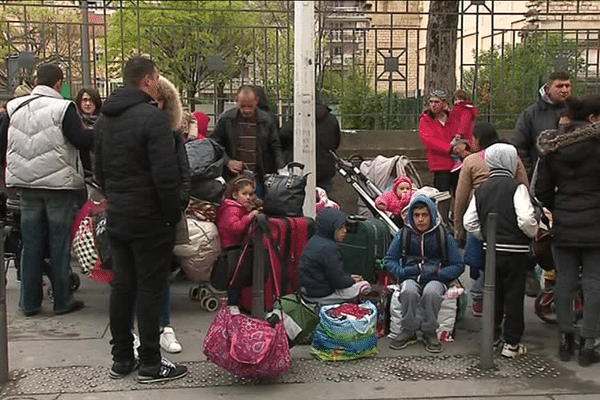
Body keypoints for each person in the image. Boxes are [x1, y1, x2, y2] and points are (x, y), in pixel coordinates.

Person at [94, 56, 187, 383]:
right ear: (148, 79)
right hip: (150, 217)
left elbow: (99, 171)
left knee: (122, 287)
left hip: (118, 213)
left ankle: (122, 357)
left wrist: (116, 198)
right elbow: (166, 177)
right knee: (150, 287)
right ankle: (150, 361)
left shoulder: (105, 119)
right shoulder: (153, 119)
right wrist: (171, 215)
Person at [4, 64, 92, 317]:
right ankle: (62, 300)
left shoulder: (15, 107)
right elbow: (80, 140)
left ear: (35, 81)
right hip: (58, 186)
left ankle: (29, 303)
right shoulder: (63, 108)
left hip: (26, 187)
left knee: (30, 244)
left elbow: (3, 141)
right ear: (58, 83)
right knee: (59, 244)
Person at [535, 94, 600, 367]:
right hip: (596, 223)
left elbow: (542, 190)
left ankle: (565, 340)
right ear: (594, 118)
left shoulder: (553, 146)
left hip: (564, 221)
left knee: (564, 281)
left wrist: (557, 208)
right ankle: (588, 343)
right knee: (594, 282)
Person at [463, 143, 538, 358]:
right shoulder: (517, 188)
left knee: (493, 293)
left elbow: (470, 221)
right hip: (515, 251)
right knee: (514, 296)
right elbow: (525, 219)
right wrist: (531, 232)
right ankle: (511, 344)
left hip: (491, 250)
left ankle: (492, 335)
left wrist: (485, 234)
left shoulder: (481, 190)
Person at [453, 122, 529, 316]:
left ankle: (478, 298)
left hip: (478, 214)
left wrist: (459, 226)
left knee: (480, 258)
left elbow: (461, 197)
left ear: (479, 139)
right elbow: (525, 186)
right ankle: (501, 303)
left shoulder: (471, 161)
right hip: (508, 217)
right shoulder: (514, 159)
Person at [384, 194, 464, 353]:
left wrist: (440, 272)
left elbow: (458, 265)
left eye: (424, 215)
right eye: (416, 215)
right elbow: (389, 260)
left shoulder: (443, 235)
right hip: (410, 276)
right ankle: (408, 330)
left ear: (432, 215)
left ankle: (429, 331)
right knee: (408, 292)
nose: (420, 219)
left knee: (431, 294)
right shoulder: (404, 234)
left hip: (435, 277)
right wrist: (403, 272)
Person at [154, 75, 191, 354]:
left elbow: (183, 170)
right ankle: (139, 330)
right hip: (138, 210)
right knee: (133, 274)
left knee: (163, 270)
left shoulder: (173, 134)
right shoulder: (130, 130)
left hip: (165, 212)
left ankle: (165, 325)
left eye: (159, 101)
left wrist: (180, 201)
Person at [209, 85, 284, 197]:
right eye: (242, 106)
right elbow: (214, 144)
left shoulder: (267, 120)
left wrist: (281, 168)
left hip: (259, 177)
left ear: (257, 101)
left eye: (250, 106)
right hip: (234, 179)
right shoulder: (227, 119)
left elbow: (275, 145)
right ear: (236, 100)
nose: (246, 110)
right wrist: (227, 161)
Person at [298, 207, 371, 305]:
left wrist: (348, 278)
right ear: (331, 228)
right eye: (340, 228)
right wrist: (352, 280)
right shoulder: (329, 248)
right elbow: (338, 281)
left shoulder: (314, 240)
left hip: (308, 292)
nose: (345, 231)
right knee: (365, 286)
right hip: (322, 295)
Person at [419, 90, 469, 222]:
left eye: (437, 102)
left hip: (458, 164)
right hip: (440, 165)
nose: (433, 105)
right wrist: (450, 149)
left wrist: (464, 147)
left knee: (461, 197)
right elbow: (429, 140)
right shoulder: (426, 120)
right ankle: (443, 224)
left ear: (444, 103)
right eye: (431, 102)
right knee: (442, 199)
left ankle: (460, 223)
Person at [511, 71, 572, 179]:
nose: (564, 90)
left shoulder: (576, 112)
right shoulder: (531, 114)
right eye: (559, 86)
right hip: (541, 178)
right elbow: (519, 146)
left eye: (567, 86)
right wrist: (531, 173)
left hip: (570, 177)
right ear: (548, 89)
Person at [279, 96, 341, 195]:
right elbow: (336, 143)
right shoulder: (332, 120)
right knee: (324, 203)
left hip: (300, 171)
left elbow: (281, 139)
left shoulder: (295, 122)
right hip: (325, 170)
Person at [216, 175, 262, 305]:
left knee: (239, 278)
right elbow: (236, 228)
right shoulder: (231, 209)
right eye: (244, 194)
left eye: (251, 194)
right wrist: (250, 216)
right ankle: (232, 304)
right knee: (235, 279)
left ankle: (237, 303)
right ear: (235, 195)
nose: (248, 197)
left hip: (238, 247)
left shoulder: (239, 209)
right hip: (232, 248)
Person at [446, 89, 478, 172]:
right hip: (458, 135)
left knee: (453, 147)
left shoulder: (465, 110)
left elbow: (464, 122)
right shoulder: (458, 110)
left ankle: (458, 161)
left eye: (460, 99)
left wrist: (460, 133)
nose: (457, 101)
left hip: (462, 136)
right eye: (456, 99)